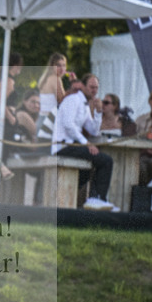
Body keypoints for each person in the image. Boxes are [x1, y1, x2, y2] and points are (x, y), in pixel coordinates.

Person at [50, 74, 117, 211]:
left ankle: (90, 199)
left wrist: (98, 113)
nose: (94, 90)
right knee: (106, 161)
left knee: (88, 169)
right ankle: (97, 198)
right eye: (91, 87)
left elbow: (94, 131)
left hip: (73, 146)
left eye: (96, 88)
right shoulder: (72, 100)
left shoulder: (85, 105)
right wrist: (86, 143)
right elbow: (68, 125)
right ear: (83, 86)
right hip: (63, 146)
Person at [36, 52, 68, 117]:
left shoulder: (45, 78)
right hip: (50, 119)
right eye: (58, 65)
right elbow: (63, 101)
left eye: (64, 65)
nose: (62, 68)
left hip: (42, 117)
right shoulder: (55, 79)